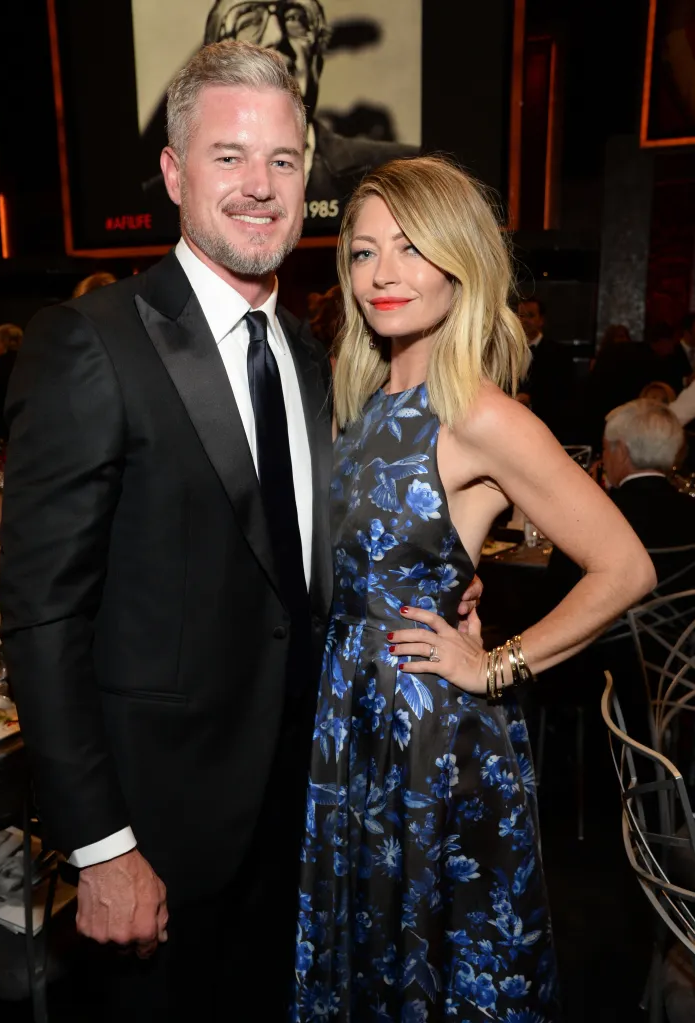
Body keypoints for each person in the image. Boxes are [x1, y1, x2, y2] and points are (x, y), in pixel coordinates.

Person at [0, 42, 481, 1021]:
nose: (260, 187)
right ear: (176, 174)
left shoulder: (311, 355)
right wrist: (101, 848)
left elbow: (293, 561)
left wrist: (436, 581)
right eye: (229, 157)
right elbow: (41, 619)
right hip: (159, 845)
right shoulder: (91, 344)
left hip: (302, 818)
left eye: (284, 161)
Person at [292, 156, 655, 1022]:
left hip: (426, 733)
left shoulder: (481, 415)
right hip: (348, 717)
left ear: (460, 262)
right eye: (362, 251)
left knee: (431, 964)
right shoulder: (364, 400)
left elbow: (625, 566)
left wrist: (494, 666)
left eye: (411, 248)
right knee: (369, 959)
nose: (381, 273)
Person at [140, 0, 417, 236]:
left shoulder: (406, 172)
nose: (276, 36)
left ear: (318, 58)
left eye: (296, 19)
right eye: (249, 18)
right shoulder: (149, 199)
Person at [602, 399, 695, 550]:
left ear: (621, 452)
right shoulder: (690, 513)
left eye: (604, 448)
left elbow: (563, 573)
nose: (603, 458)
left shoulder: (599, 516)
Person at [515, 296, 573, 440]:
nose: (524, 320)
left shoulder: (558, 353)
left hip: (547, 429)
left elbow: (564, 394)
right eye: (521, 315)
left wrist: (532, 399)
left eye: (530, 316)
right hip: (512, 427)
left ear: (541, 320)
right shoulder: (506, 351)